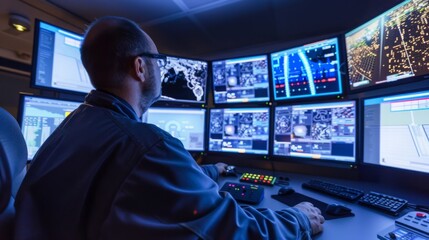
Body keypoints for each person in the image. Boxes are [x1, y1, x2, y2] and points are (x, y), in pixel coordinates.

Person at [14, 16, 324, 240]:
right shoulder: (146, 145)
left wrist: (213, 170)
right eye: (158, 60)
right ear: (139, 67)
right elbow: (232, 229)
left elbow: (142, 182)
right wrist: (298, 219)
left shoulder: (69, 131)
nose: (161, 69)